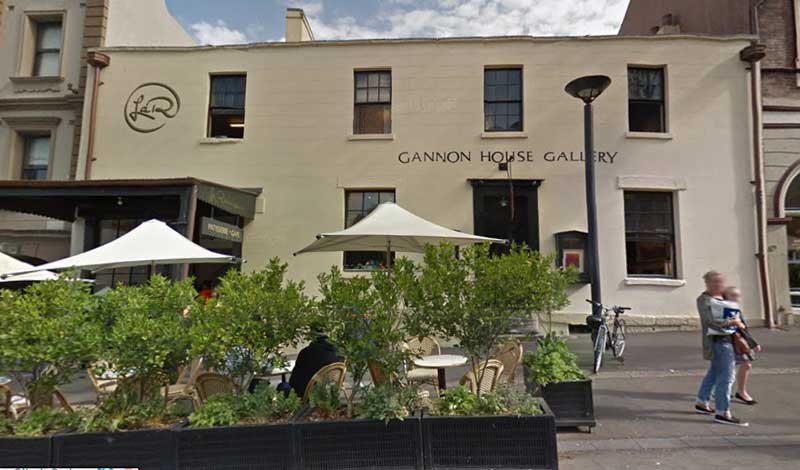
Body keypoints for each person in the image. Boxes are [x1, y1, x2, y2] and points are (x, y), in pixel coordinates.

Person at [695, 270, 749, 426]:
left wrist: (740, 324)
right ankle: (723, 412)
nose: (719, 284)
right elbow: (709, 322)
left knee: (714, 373)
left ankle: (702, 401)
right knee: (726, 378)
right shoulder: (704, 300)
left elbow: (736, 313)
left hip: (730, 340)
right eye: (715, 281)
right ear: (707, 283)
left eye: (721, 281)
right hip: (719, 341)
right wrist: (730, 322)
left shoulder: (723, 297)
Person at [722, 286, 762, 406]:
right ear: (726, 297)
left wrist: (752, 343)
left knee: (744, 365)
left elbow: (744, 329)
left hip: (739, 343)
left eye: (738, 296)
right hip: (734, 343)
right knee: (728, 368)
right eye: (733, 296)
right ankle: (735, 391)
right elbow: (738, 329)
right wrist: (753, 344)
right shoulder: (728, 310)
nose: (736, 298)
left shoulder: (735, 309)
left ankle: (739, 391)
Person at [288, 327, 343, 398]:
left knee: (283, 386)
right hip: (329, 394)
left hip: (307, 395)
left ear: (311, 335)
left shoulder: (305, 353)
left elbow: (293, 381)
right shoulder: (339, 353)